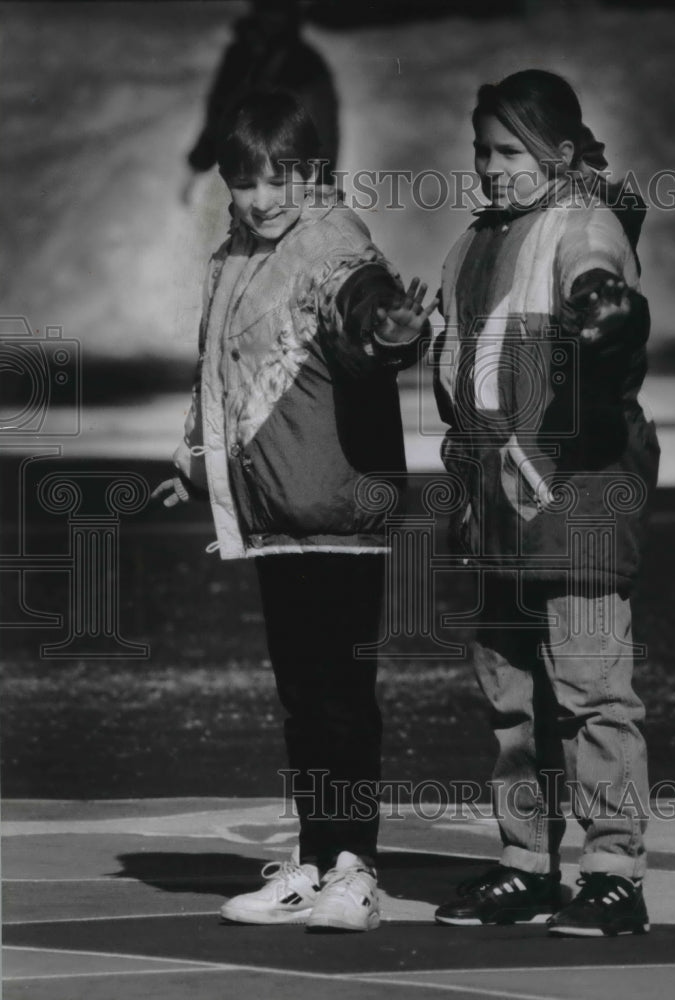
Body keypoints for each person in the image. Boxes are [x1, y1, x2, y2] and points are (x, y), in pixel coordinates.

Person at [153, 90, 433, 932]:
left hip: (339, 510)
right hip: (279, 512)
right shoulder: (234, 255)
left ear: (313, 174)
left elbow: (362, 313)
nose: (262, 199)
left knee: (341, 696)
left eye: (281, 180)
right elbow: (226, 373)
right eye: (245, 183)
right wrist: (196, 461)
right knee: (305, 696)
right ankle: (314, 860)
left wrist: (392, 331)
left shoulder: (333, 245)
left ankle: (355, 869)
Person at [431, 70, 660, 936]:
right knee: (513, 699)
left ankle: (614, 870)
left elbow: (597, 280)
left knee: (592, 692)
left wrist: (607, 306)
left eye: (509, 151)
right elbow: (463, 372)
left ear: (559, 154)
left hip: (578, 498)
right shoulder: (473, 244)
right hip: (497, 510)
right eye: (481, 151)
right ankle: (527, 862)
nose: (491, 167)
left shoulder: (580, 222)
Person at [181, 0, 338, 203]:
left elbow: (323, 130)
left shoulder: (308, 65)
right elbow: (218, 112)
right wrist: (198, 167)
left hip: (283, 179)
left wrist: (319, 187)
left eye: (279, 11)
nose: (271, 18)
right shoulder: (238, 56)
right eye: (266, 8)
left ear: (291, 15)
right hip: (234, 174)